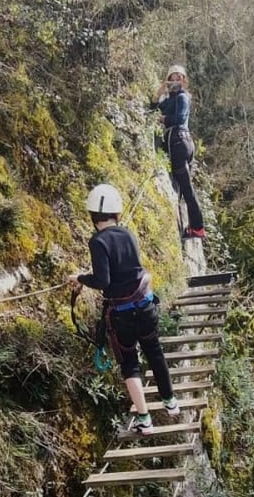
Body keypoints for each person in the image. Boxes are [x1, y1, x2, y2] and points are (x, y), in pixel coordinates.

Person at [67, 183, 180, 434]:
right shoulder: (128, 234)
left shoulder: (97, 241)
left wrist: (80, 278)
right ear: (116, 213)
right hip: (146, 305)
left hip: (123, 315)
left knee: (130, 363)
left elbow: (103, 281)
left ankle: (144, 419)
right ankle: (171, 403)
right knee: (154, 352)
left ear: (92, 215)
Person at [153, 64, 206, 239]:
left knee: (187, 188)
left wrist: (164, 119)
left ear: (184, 81)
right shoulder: (171, 99)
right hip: (179, 142)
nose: (175, 81)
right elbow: (153, 109)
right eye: (172, 78)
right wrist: (159, 93)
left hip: (179, 142)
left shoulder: (183, 97)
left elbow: (180, 118)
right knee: (184, 188)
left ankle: (197, 228)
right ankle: (192, 226)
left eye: (178, 78)